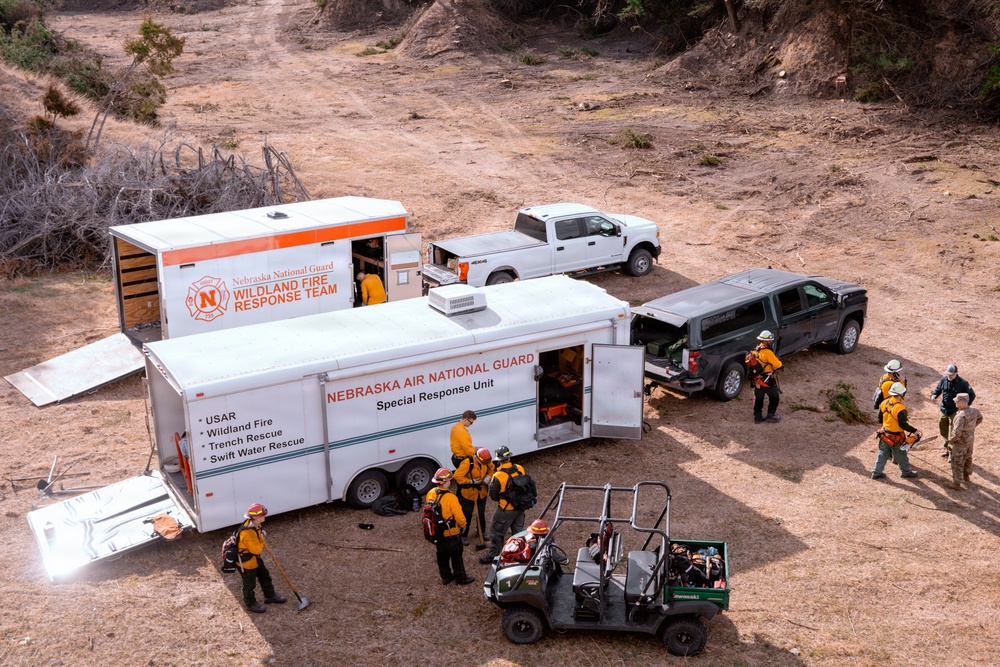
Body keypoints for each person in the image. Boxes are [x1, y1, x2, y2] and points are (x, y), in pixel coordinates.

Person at [425, 468, 475, 585]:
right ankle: (461, 578)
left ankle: (446, 577)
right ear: (446, 482)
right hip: (451, 533)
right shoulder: (451, 498)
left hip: (437, 532)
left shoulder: (431, 493)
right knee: (456, 557)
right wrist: (463, 526)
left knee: (442, 556)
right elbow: (459, 517)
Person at [236, 503, 287, 613]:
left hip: (255, 559)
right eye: (263, 515)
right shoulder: (247, 533)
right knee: (249, 584)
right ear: (256, 517)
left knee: (265, 576)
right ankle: (250, 604)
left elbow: (258, 538)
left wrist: (260, 535)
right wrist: (262, 538)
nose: (265, 516)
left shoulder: (255, 524)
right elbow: (257, 549)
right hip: (247, 563)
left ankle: (270, 596)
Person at [480, 446, 527, 564]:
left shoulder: (498, 475)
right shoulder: (520, 468)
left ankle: (494, 555)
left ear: (499, 460)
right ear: (509, 457)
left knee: (496, 532)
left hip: (505, 509)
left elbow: (493, 495)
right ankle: (519, 554)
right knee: (518, 532)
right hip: (520, 506)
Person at [871, 382, 920, 480]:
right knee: (901, 455)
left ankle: (876, 472)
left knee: (883, 453)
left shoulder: (884, 403)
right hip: (896, 437)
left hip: (884, 434)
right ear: (901, 394)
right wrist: (914, 430)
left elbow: (879, 419)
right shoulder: (900, 408)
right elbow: (903, 425)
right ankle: (906, 472)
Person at [930, 364, 976, 459]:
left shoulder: (963, 383)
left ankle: (952, 453)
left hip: (955, 411)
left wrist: (965, 407)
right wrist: (934, 395)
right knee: (943, 430)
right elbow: (938, 389)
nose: (949, 376)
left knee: (953, 432)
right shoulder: (944, 380)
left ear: (956, 373)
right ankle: (947, 448)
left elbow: (972, 395)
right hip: (944, 409)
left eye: (951, 374)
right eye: (948, 374)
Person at [454, 447, 494, 547]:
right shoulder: (467, 463)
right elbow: (457, 476)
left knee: (480, 513)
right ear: (477, 458)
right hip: (468, 494)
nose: (486, 464)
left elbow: (492, 468)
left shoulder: (486, 460)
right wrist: (470, 481)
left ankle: (482, 531)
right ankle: (463, 534)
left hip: (482, 492)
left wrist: (489, 477)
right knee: (467, 514)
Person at [946, 393, 983, 490]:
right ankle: (967, 476)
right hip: (970, 441)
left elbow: (957, 433)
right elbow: (980, 418)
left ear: (963, 402)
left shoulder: (960, 416)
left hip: (960, 443)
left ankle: (956, 484)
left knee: (957, 461)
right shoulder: (974, 411)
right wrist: (970, 429)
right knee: (968, 458)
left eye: (957, 402)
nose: (955, 403)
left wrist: (950, 441)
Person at [749, 330, 783, 424]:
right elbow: (777, 364)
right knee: (774, 396)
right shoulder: (767, 352)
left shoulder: (755, 350)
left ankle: (757, 417)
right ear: (765, 341)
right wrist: (780, 364)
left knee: (758, 398)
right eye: (769, 340)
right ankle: (771, 415)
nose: (770, 342)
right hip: (767, 379)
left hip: (757, 379)